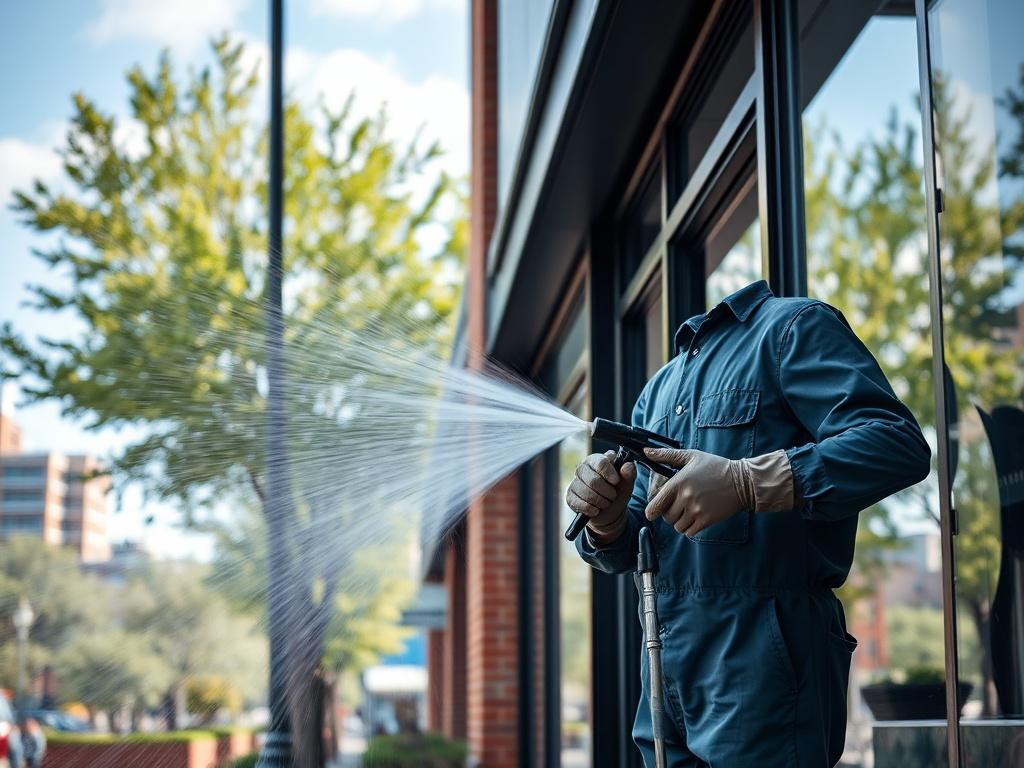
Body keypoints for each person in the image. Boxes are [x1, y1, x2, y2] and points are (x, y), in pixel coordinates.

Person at [567, 280, 930, 767]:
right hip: (665, 669)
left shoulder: (792, 328)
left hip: (764, 668)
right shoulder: (659, 388)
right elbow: (636, 536)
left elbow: (896, 444)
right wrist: (606, 521)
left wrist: (745, 481)